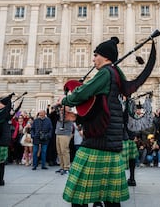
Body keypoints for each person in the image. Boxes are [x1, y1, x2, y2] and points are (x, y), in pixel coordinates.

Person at [56, 37, 130, 207]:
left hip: (98, 140)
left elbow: (83, 93)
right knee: (110, 197)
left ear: (105, 57)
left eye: (95, 55)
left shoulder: (105, 72)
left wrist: (65, 99)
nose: (93, 59)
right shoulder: (117, 73)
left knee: (78, 195)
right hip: (110, 140)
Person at [55, 106, 74, 175]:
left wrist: (63, 112)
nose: (61, 109)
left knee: (64, 151)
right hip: (58, 133)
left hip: (65, 134)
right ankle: (62, 167)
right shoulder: (60, 114)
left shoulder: (70, 115)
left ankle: (67, 168)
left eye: (63, 108)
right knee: (59, 151)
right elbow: (53, 116)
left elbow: (64, 120)